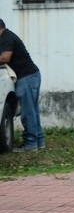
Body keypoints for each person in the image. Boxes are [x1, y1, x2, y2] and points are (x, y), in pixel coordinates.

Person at [0, 19, 44, 151]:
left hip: (26, 77)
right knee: (32, 111)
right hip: (31, 76)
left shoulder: (6, 38)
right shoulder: (8, 36)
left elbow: (5, 58)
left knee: (28, 112)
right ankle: (39, 141)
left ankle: (30, 144)